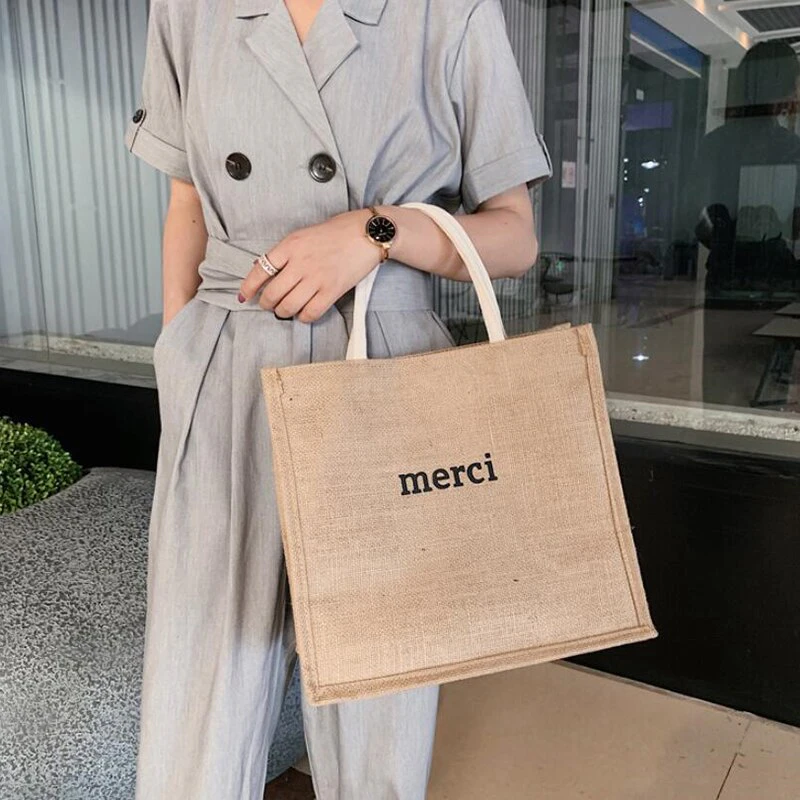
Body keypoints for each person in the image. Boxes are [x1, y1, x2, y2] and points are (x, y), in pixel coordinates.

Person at [123, 1, 552, 798]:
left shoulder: (450, 11)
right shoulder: (187, 8)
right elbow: (187, 204)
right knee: (196, 701)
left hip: (383, 375)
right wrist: (178, 365)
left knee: (376, 720)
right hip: (226, 367)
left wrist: (373, 234)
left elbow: (515, 237)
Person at [678, 40, 800, 405]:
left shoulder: (716, 144)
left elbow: (690, 212)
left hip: (726, 278)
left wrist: (724, 244)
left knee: (718, 388)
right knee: (767, 390)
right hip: (777, 280)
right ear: (785, 86)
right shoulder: (792, 148)